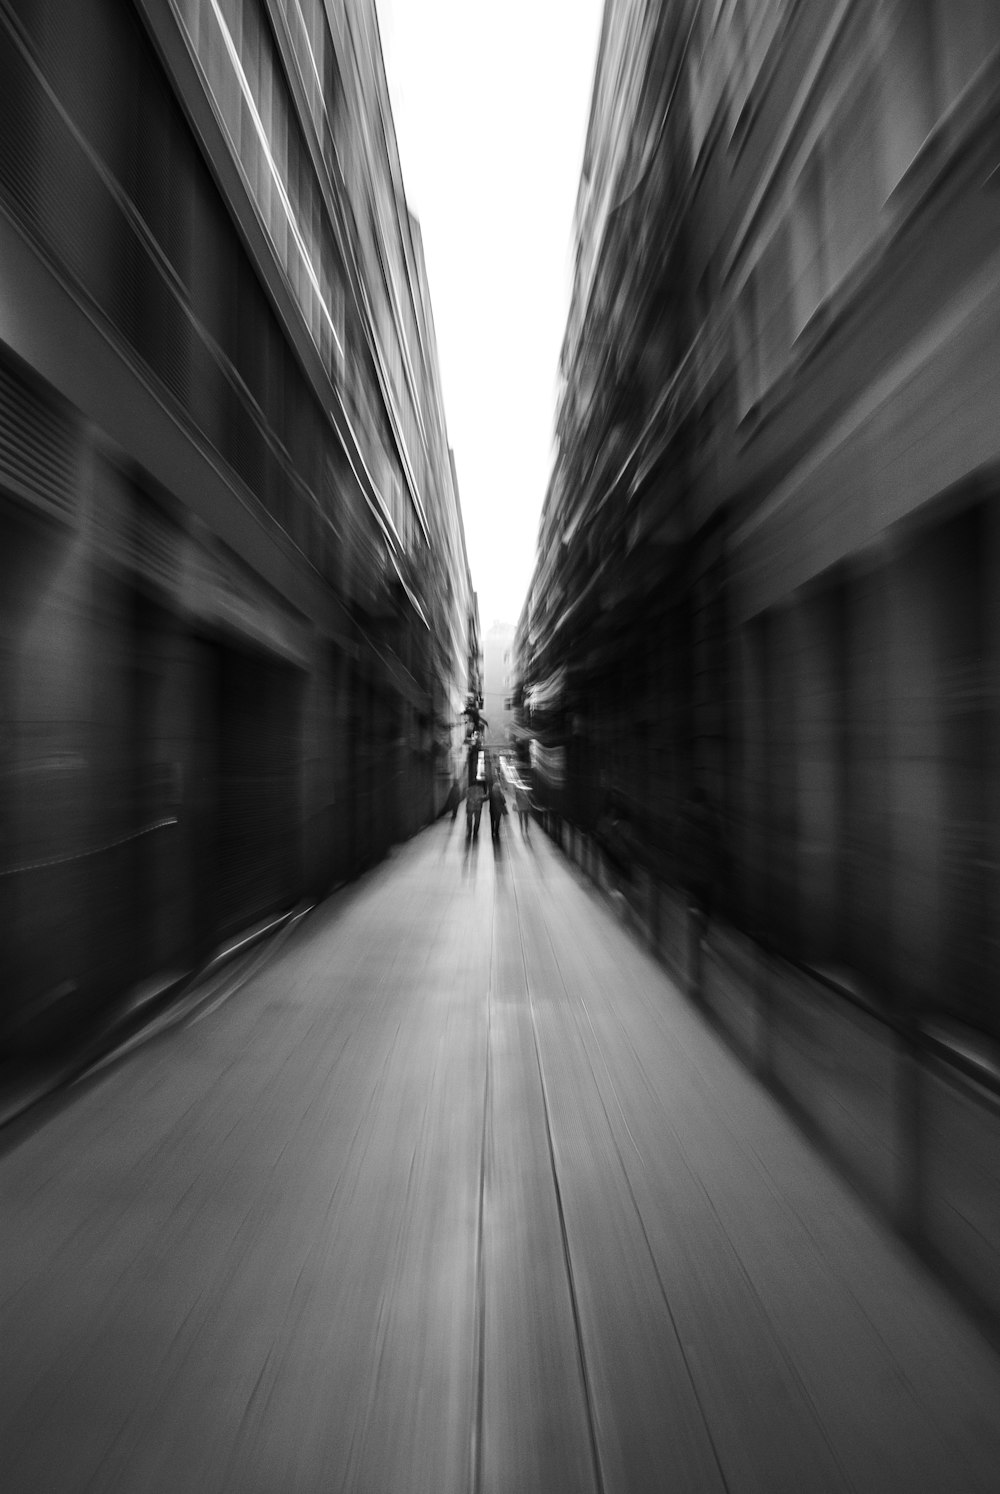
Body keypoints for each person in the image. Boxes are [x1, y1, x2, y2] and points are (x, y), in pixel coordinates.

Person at [488, 775, 507, 841]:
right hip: (498, 810)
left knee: (492, 821)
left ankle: (492, 831)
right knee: (497, 821)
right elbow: (504, 801)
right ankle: (496, 832)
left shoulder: (491, 793)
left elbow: (486, 798)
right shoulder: (500, 794)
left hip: (492, 810)